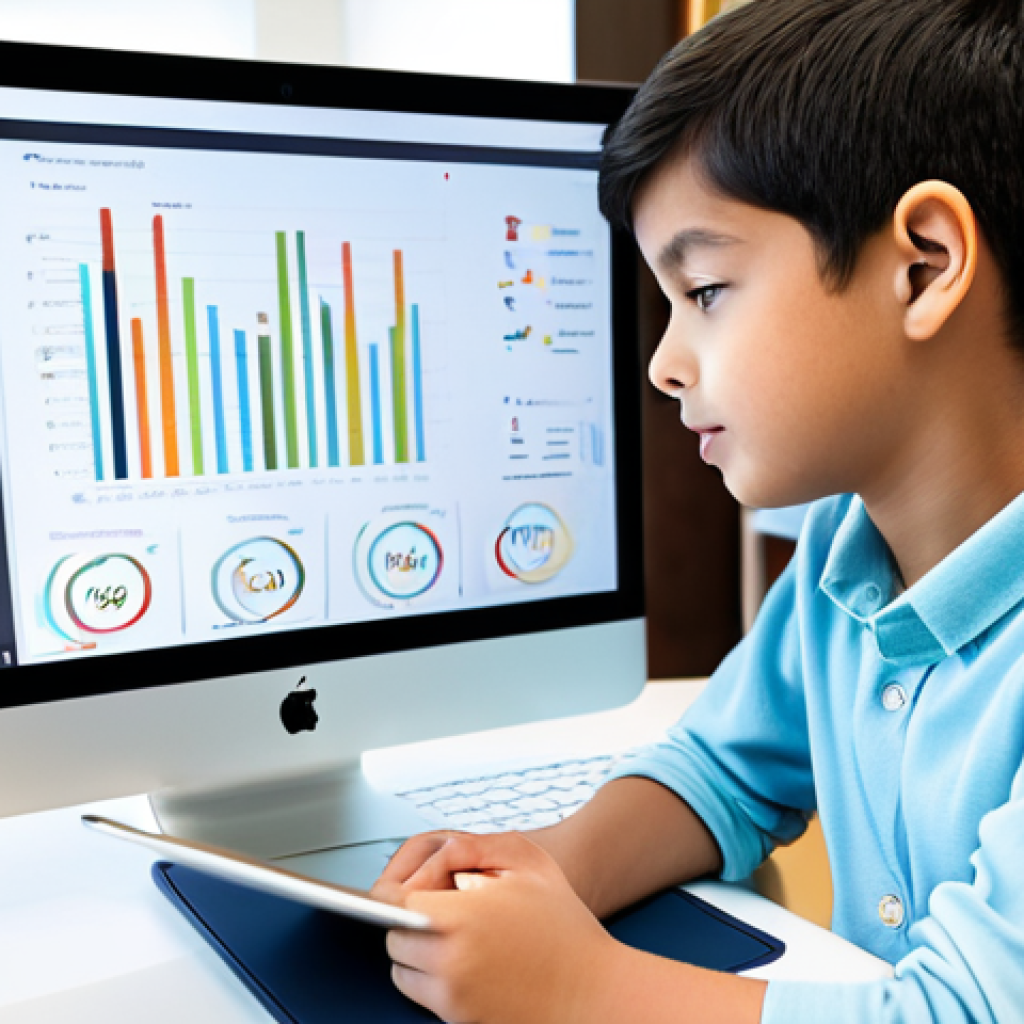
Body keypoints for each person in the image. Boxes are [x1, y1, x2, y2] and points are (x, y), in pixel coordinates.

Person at [371, 1, 1024, 1020]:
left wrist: (574, 984)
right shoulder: (842, 556)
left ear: (923, 265)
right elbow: (719, 765)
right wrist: (542, 874)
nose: (664, 365)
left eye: (707, 289)